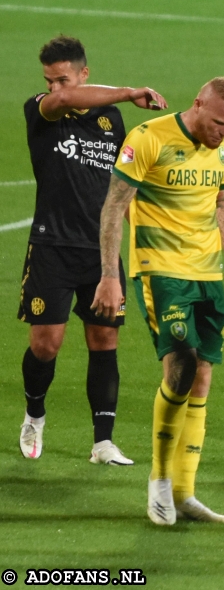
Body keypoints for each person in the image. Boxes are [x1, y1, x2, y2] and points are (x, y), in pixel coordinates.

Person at [91, 77, 224, 526]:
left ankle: (184, 492)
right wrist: (109, 275)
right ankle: (159, 481)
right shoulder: (149, 139)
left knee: (201, 378)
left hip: (207, 274)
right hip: (161, 273)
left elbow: (221, 202)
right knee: (181, 366)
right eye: (218, 122)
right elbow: (113, 207)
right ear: (197, 103)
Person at [17, 35, 167, 465]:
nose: (55, 89)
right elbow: (58, 102)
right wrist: (131, 90)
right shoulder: (40, 110)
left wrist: (138, 241)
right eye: (49, 80)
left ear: (85, 73)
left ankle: (103, 441)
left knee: (104, 339)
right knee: (47, 344)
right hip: (51, 246)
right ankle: (35, 413)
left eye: (63, 80)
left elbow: (122, 189)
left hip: (99, 250)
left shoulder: (112, 120)